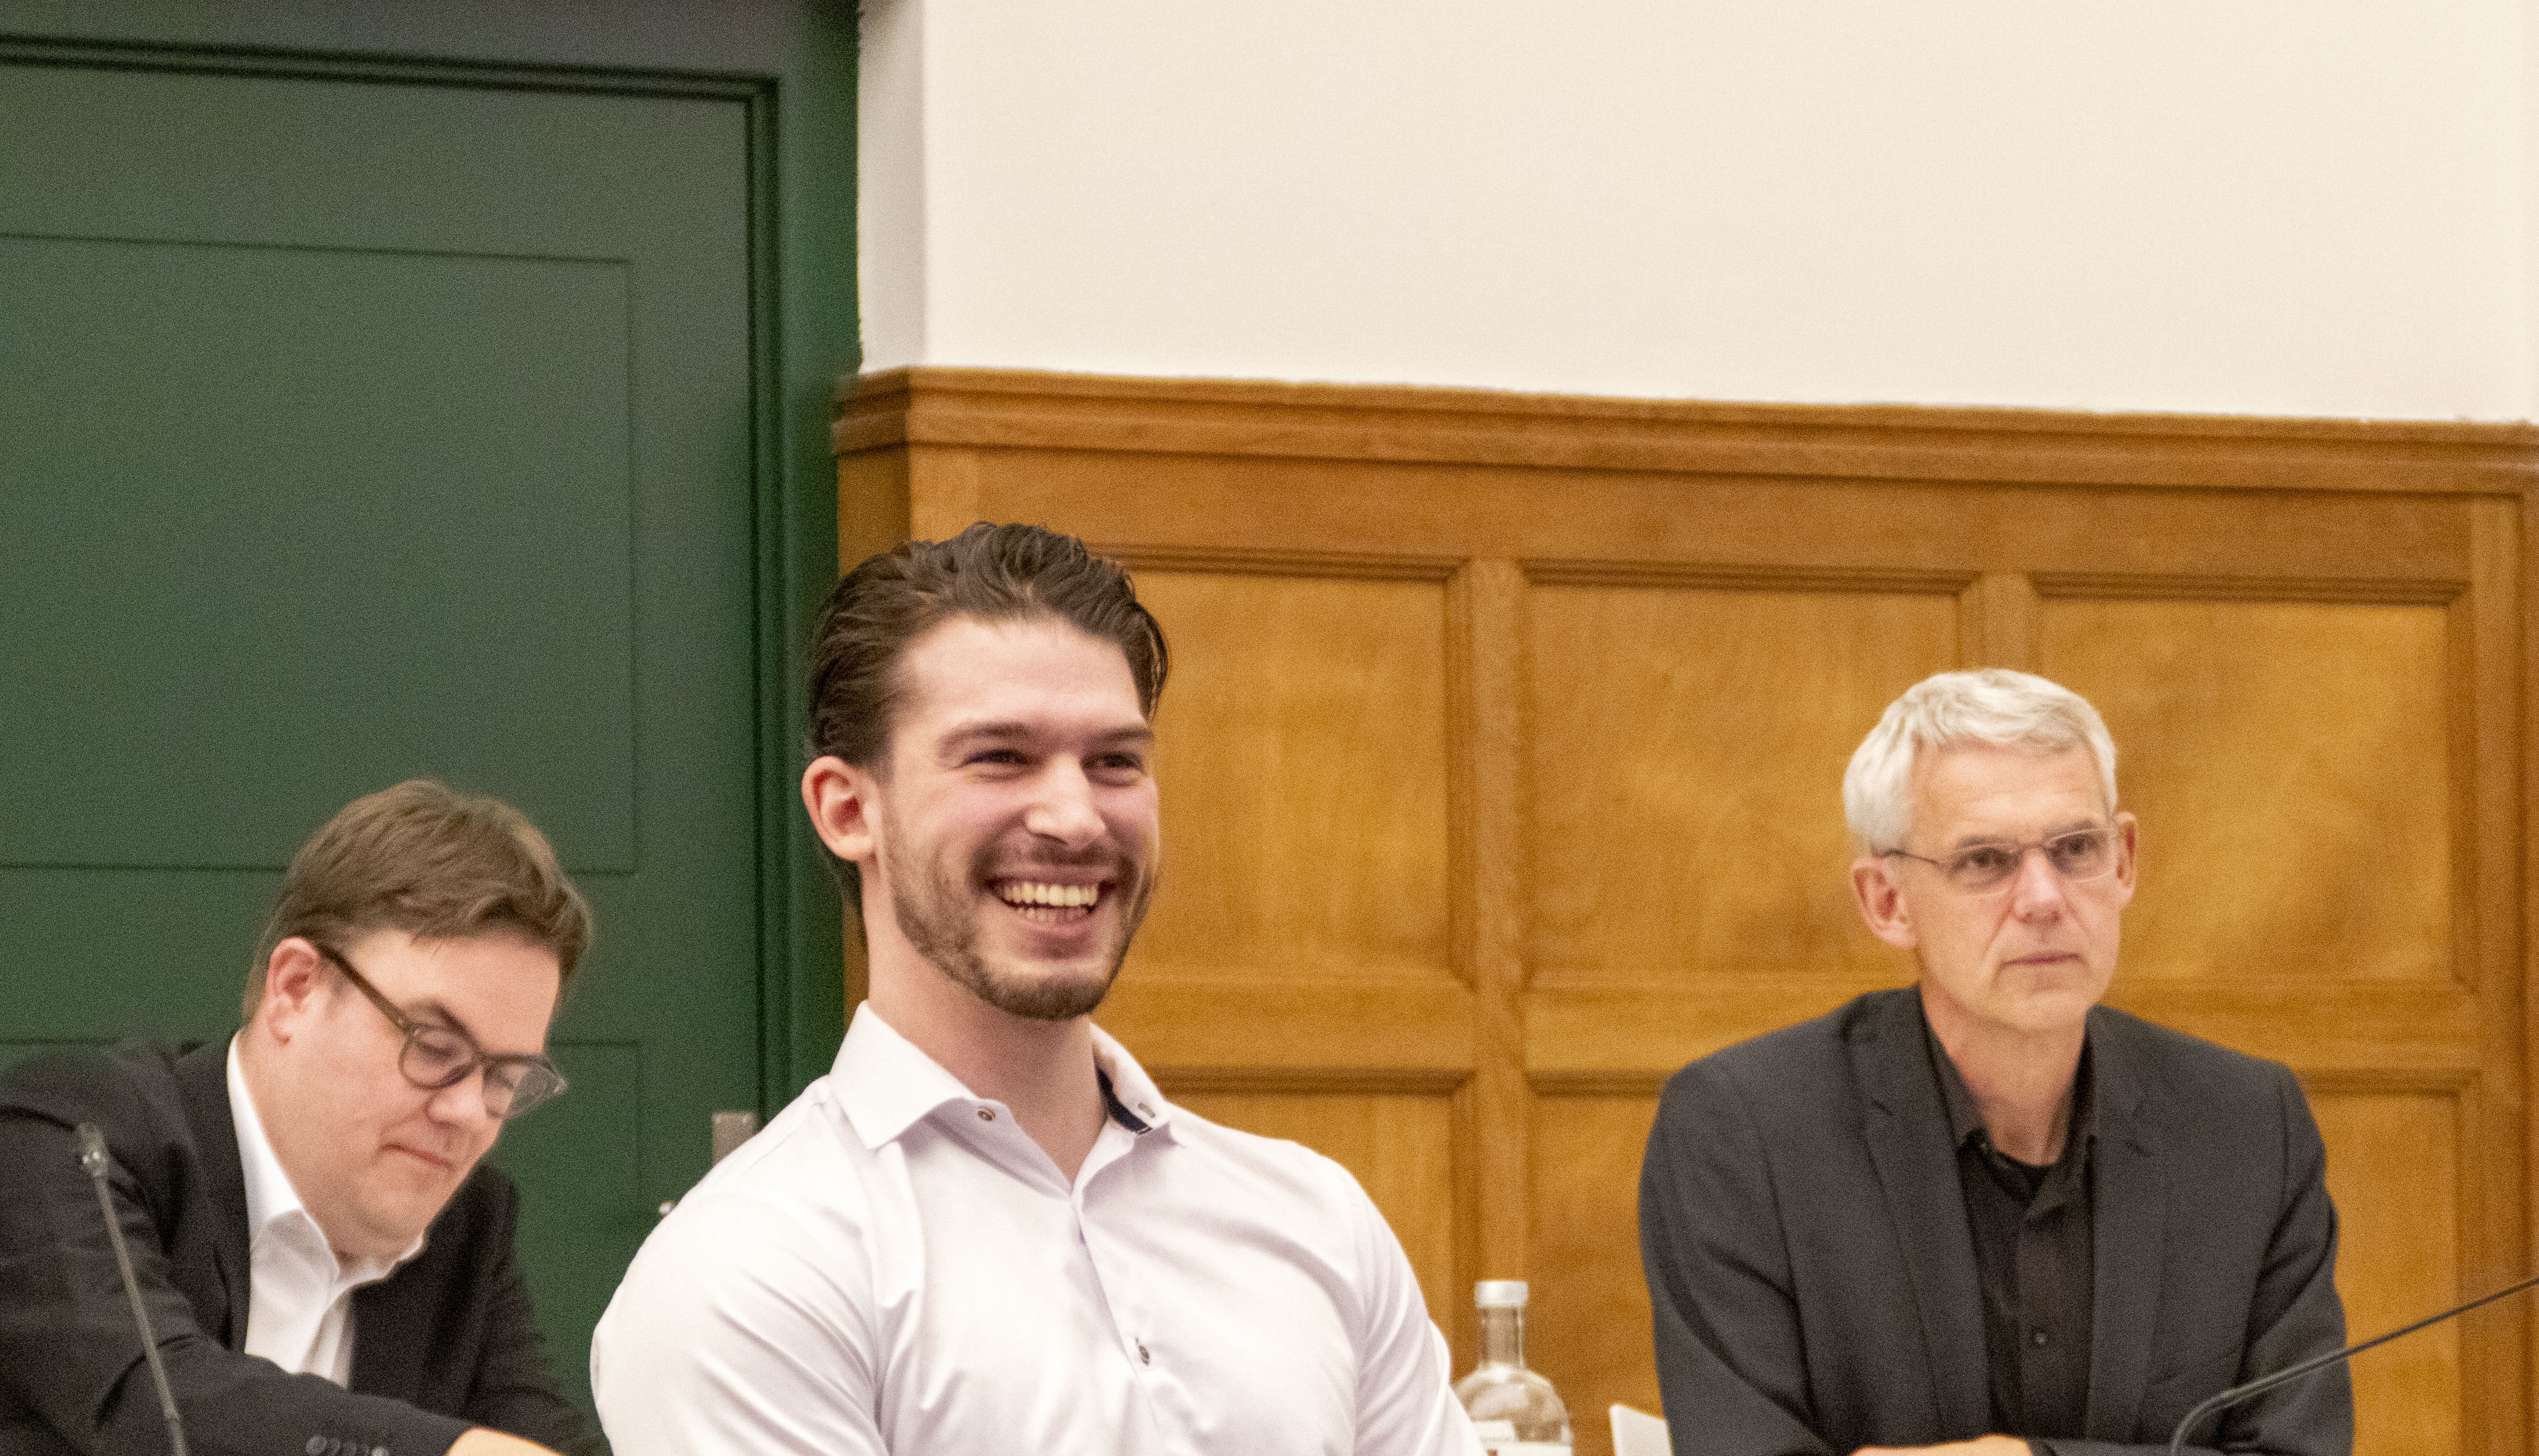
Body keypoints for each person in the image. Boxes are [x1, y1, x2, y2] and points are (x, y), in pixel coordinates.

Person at [592, 521, 1478, 1455]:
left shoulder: (1317, 1221)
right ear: (848, 810)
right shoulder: (750, 1267)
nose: (1075, 817)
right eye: (1001, 758)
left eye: (1115, 762)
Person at [1637, 669, 2350, 1455]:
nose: (2043, 898)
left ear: (2124, 861)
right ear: (1887, 902)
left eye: (2076, 849)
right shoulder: (1743, 1134)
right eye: (1984, 861)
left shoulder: (2248, 1126)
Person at [0, 779, 601, 1456]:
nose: (467, 1113)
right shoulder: (72, 1136)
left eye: (505, 1078)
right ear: (295, 989)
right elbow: (151, 1402)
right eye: (434, 1048)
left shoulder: (466, 1227)